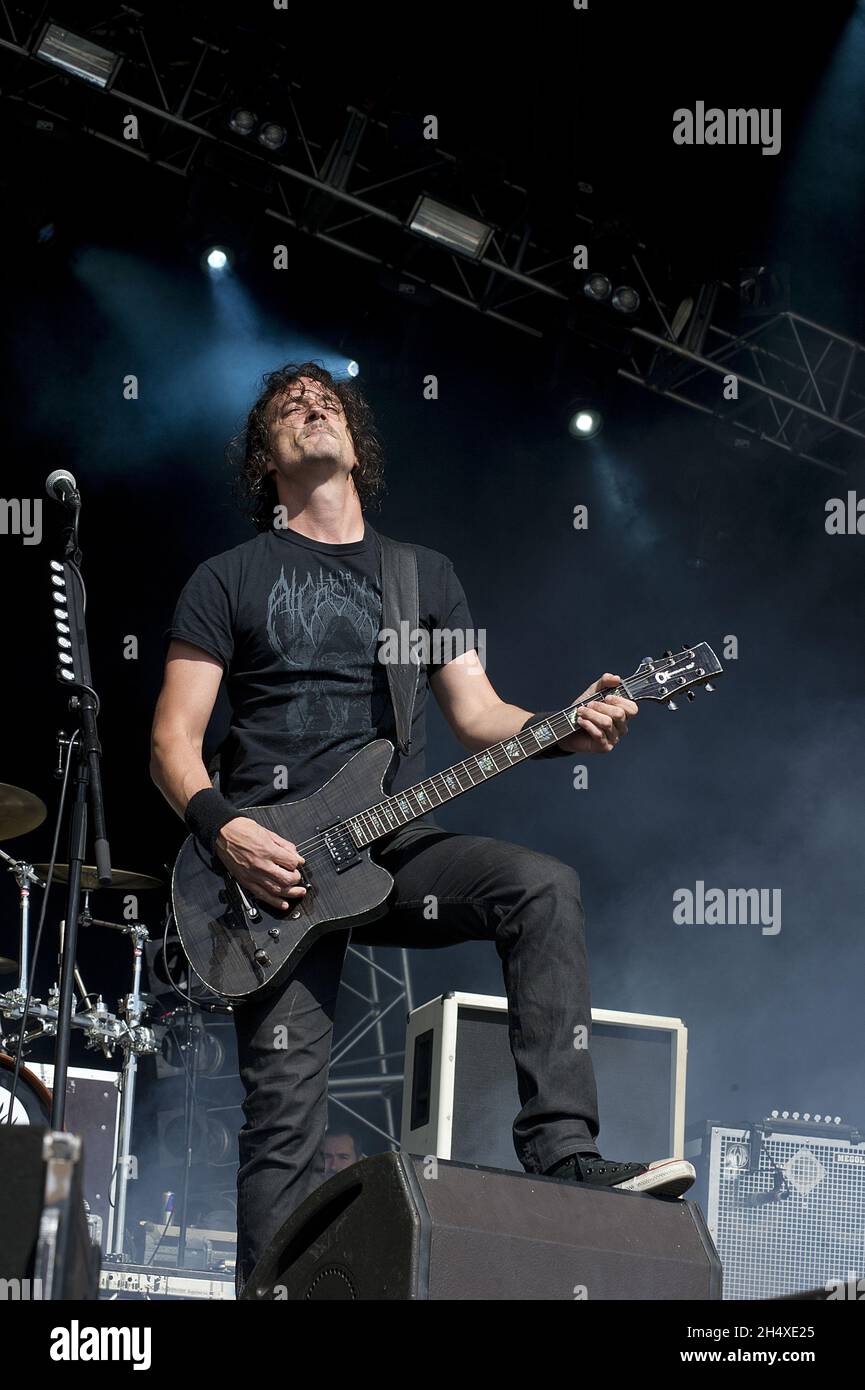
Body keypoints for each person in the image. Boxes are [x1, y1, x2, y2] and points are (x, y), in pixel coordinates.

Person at [151, 361, 695, 1290]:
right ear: (264, 462)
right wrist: (227, 833)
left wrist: (567, 726)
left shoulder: (420, 577)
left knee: (542, 885)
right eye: (286, 406)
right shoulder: (226, 578)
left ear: (354, 443)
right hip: (268, 873)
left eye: (324, 399)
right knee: (284, 1116)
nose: (308, 405)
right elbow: (171, 739)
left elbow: (477, 717)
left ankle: (561, 1149)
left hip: (386, 844)